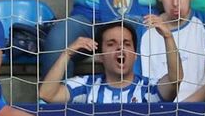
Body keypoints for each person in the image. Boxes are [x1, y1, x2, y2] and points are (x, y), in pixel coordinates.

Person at [39, 19, 183, 103]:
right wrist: (67, 53)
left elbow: (175, 80)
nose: (120, 48)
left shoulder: (148, 88)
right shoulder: (86, 85)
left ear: (135, 55)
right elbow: (47, 94)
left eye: (126, 44)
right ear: (100, 56)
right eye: (111, 44)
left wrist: (168, 37)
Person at [140, 0, 205, 101]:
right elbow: (138, 84)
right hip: (155, 112)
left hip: (199, 111)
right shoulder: (143, 29)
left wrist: (183, 108)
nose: (176, 3)